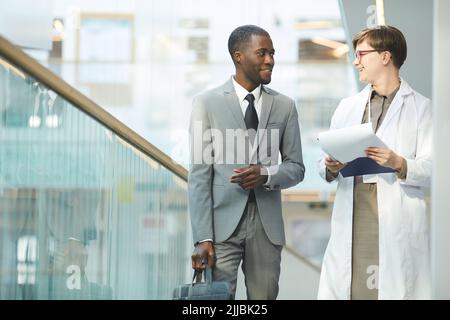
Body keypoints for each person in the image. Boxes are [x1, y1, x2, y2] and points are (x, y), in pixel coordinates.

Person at [188, 25, 305, 299]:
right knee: (215, 301)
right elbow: (199, 176)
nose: (270, 60)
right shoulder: (206, 103)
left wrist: (266, 174)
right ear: (238, 56)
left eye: (272, 53)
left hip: (267, 228)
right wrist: (203, 238)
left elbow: (296, 168)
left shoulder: (285, 106)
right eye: (262, 53)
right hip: (221, 229)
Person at [318, 25, 432, 299]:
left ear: (385, 56)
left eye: (361, 54)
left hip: (395, 213)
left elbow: (434, 169)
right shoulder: (348, 106)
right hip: (355, 208)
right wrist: (330, 167)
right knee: (353, 287)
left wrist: (399, 162)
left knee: (393, 288)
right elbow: (324, 162)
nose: (356, 61)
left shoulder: (421, 108)